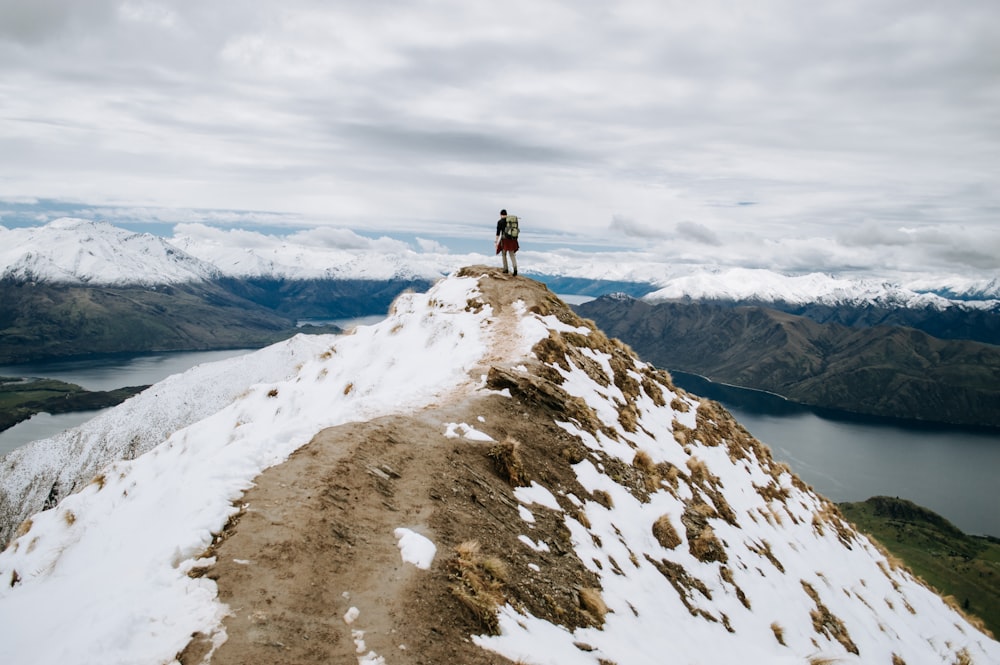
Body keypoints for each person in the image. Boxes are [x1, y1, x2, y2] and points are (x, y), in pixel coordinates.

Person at [495, 209, 519, 275]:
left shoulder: (500, 222)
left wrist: (496, 242)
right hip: (513, 240)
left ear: (501, 215)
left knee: (504, 254)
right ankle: (515, 270)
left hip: (505, 240)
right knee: (512, 255)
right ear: (506, 214)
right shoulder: (512, 221)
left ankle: (505, 269)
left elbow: (498, 233)